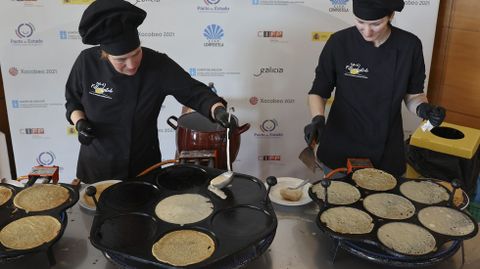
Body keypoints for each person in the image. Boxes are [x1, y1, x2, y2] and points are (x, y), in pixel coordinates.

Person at [65, 0, 236, 183]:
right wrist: (80, 123)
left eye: (136, 53)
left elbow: (194, 92)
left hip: (143, 165)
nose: (131, 65)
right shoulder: (86, 63)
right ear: (105, 54)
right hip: (97, 164)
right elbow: (73, 100)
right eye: (121, 59)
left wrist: (217, 109)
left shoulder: (158, 65)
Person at [303, 0, 446, 176]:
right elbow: (319, 91)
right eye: (360, 22)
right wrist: (317, 118)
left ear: (390, 16)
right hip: (340, 144)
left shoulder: (409, 46)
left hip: (386, 150)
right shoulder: (339, 42)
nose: (367, 31)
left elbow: (413, 95)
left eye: (376, 24)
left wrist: (424, 109)